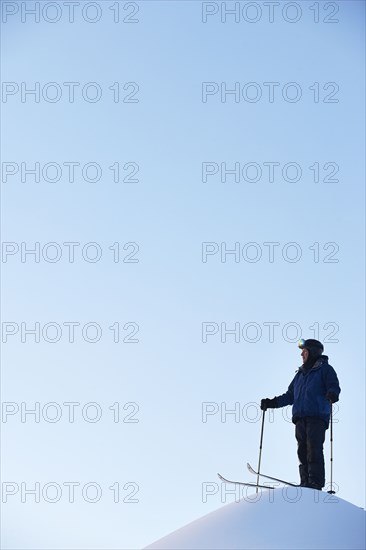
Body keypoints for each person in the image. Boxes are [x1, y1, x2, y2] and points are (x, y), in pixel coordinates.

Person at [261, 339, 341, 490]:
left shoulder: (325, 369)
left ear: (312, 352)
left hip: (316, 416)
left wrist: (333, 393)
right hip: (300, 417)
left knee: (314, 448)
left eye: (304, 351)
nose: (301, 354)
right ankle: (305, 481)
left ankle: (315, 482)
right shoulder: (300, 375)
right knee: (302, 450)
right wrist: (272, 403)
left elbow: (333, 385)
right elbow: (290, 395)